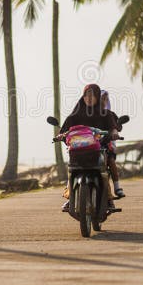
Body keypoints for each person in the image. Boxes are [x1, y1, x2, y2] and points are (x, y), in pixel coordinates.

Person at [58, 84, 119, 212]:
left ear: (97, 97)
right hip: (79, 150)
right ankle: (71, 197)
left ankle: (108, 199)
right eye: (86, 96)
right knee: (71, 169)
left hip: (98, 149)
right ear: (83, 97)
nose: (89, 98)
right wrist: (61, 135)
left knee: (103, 171)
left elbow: (113, 127)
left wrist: (114, 132)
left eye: (92, 96)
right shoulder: (75, 115)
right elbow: (64, 130)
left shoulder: (105, 114)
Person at [101, 90, 125, 199]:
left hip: (105, 144)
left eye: (105, 99)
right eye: (101, 98)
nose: (103, 101)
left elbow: (116, 126)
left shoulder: (109, 114)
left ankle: (117, 187)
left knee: (110, 160)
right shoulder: (85, 113)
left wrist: (115, 131)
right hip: (88, 144)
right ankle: (71, 193)